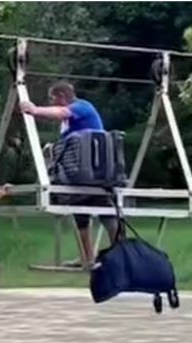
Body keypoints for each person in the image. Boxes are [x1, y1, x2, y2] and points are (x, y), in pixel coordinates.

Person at [20, 80, 118, 267]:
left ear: (62, 96)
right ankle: (86, 257)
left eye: (53, 99)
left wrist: (35, 109)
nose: (51, 102)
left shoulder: (81, 107)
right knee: (79, 213)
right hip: (78, 173)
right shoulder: (68, 124)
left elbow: (60, 112)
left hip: (96, 170)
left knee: (106, 211)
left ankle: (120, 251)